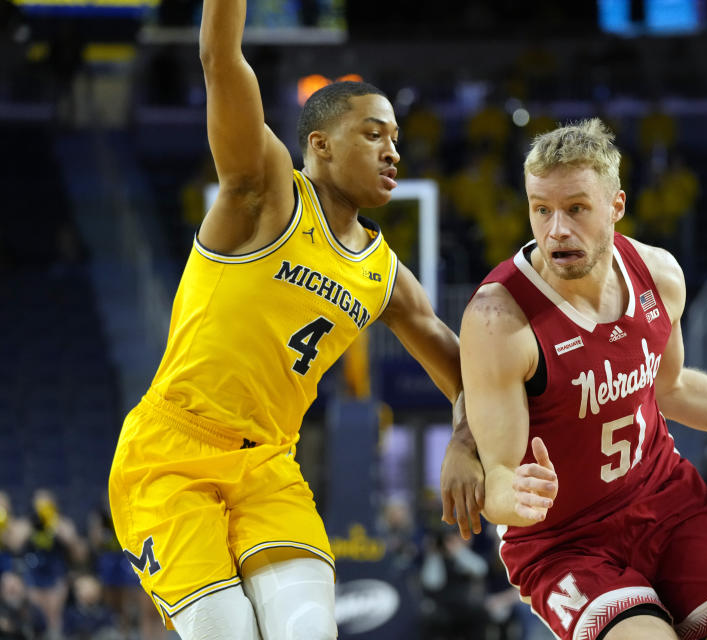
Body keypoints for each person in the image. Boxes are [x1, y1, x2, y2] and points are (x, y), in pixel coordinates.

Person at [106, 0, 484, 637]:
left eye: (397, 138)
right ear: (320, 145)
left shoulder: (385, 275)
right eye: (373, 134)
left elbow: (466, 374)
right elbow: (221, 59)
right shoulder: (264, 191)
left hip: (269, 469)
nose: (394, 151)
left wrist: (466, 443)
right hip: (170, 455)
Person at [458, 119, 707, 640]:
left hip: (669, 504)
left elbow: (673, 388)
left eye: (576, 208)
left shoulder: (659, 275)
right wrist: (517, 496)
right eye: (541, 210)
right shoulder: (498, 319)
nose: (556, 230)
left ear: (616, 206)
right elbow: (499, 478)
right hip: (564, 541)